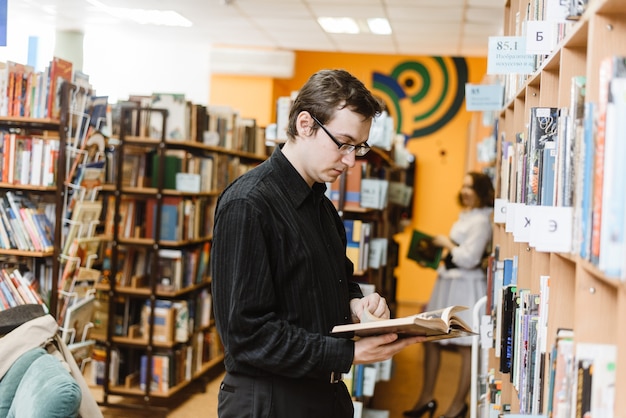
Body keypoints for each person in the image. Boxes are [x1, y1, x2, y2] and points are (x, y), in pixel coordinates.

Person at [211, 69, 423, 418]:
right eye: (343, 143)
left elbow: (338, 281)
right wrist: (350, 354)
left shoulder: (322, 207)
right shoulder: (248, 204)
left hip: (324, 394)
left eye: (359, 147)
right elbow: (246, 336)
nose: (351, 160)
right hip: (271, 401)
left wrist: (357, 304)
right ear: (305, 124)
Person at [404, 171, 494, 418]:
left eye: (471, 187)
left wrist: (446, 244)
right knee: (431, 338)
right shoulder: (467, 216)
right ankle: (426, 397)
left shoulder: (482, 221)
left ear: (482, 191)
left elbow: (468, 258)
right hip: (448, 283)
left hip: (466, 287)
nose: (465, 191)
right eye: (463, 186)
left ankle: (457, 405)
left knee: (466, 346)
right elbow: (457, 256)